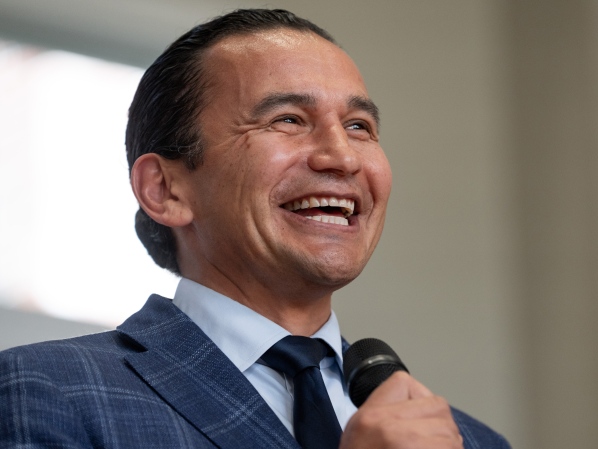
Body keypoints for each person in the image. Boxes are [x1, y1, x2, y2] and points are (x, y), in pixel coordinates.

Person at [0, 9, 510, 449]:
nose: (341, 156)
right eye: (287, 119)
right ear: (165, 189)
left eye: (360, 126)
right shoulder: (45, 391)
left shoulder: (471, 440)